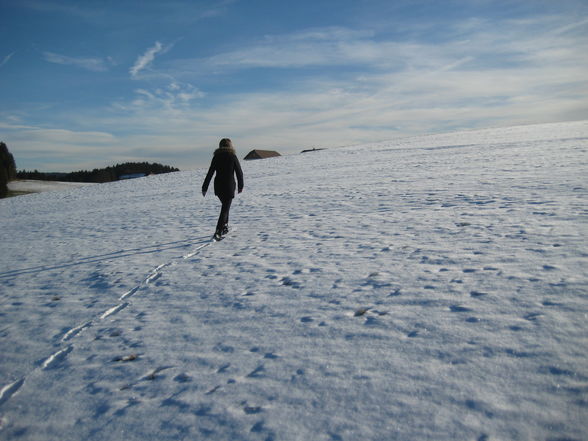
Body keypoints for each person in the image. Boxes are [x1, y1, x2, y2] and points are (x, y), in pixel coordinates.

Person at [202, 138, 244, 240]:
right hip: (229, 187)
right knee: (225, 209)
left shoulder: (216, 157)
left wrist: (204, 187)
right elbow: (239, 172)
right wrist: (240, 186)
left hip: (219, 187)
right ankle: (218, 231)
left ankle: (224, 227)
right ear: (230, 146)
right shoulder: (232, 156)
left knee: (225, 206)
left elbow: (210, 172)